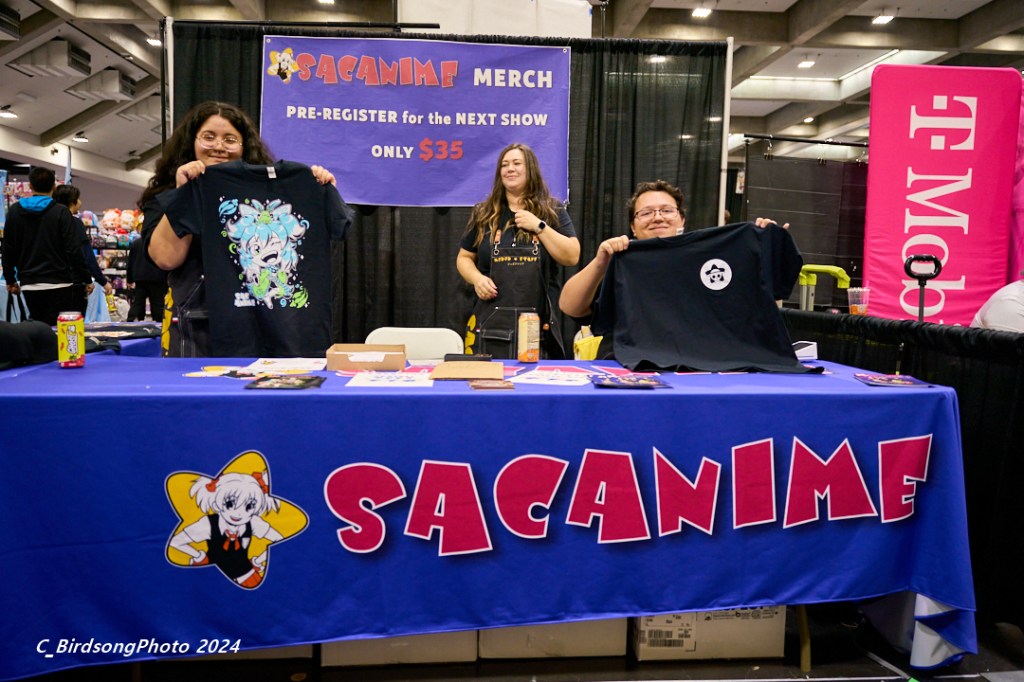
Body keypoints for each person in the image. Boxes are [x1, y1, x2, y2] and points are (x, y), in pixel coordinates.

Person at [140, 101, 350, 357]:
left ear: (243, 146)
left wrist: (318, 188)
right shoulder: (168, 192)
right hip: (199, 326)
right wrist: (184, 192)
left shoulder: (275, 190)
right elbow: (165, 258)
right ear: (191, 141)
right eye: (209, 137)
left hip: (268, 324)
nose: (219, 146)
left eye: (230, 139)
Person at [456, 143, 580, 358]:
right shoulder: (484, 213)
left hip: (538, 329)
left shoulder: (552, 211)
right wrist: (477, 279)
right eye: (504, 165)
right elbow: (464, 257)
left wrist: (540, 227)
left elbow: (572, 256)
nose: (510, 169)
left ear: (530, 169)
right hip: (489, 329)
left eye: (516, 163)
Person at [2, 167, 93, 325]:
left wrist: (10, 279)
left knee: (35, 328)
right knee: (60, 330)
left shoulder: (15, 211)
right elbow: (73, 249)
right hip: (61, 283)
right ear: (54, 187)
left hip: (29, 283)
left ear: (30, 186)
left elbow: (8, 248)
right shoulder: (61, 212)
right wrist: (86, 279)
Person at [51, 184, 114, 302]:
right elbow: (86, 255)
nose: (80, 202)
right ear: (72, 202)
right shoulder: (75, 223)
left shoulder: (48, 223)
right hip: (73, 283)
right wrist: (100, 281)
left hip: (50, 281)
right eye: (78, 199)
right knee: (73, 313)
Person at [125, 236, 167, 323]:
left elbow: (130, 263)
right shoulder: (160, 242)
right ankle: (160, 323)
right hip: (157, 277)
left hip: (140, 278)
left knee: (138, 301)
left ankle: (133, 320)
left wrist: (129, 279)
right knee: (157, 303)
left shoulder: (136, 243)